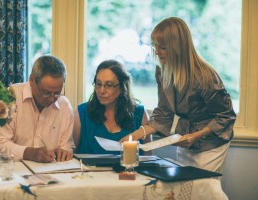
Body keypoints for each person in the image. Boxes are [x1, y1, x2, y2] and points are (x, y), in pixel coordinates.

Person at [120, 17, 236, 173]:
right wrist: (132, 136)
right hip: (186, 138)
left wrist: (198, 134)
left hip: (211, 142)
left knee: (202, 188)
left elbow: (226, 116)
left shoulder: (205, 77)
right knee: (182, 188)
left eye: (162, 47)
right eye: (155, 46)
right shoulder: (162, 71)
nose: (157, 52)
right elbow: (163, 114)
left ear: (177, 47)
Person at [0, 55, 74, 163]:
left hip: (49, 173)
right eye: (46, 93)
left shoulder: (64, 105)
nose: (52, 99)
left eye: (57, 93)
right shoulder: (11, 98)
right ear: (31, 80)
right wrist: (29, 153)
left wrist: (64, 152)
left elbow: (67, 145)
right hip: (10, 171)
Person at [73, 60, 152, 155]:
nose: (101, 91)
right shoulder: (82, 112)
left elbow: (149, 158)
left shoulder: (139, 113)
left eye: (109, 85)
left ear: (122, 87)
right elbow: (71, 156)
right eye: (98, 84)